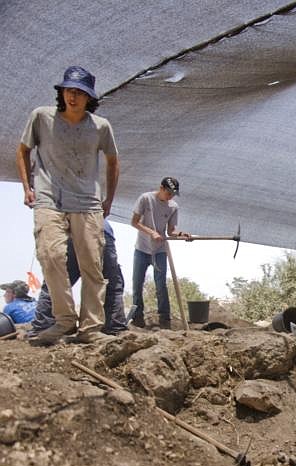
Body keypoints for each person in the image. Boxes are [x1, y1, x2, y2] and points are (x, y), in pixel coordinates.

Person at [17, 66, 120, 345]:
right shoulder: (41, 117)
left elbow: (113, 162)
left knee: (92, 266)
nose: (72, 97)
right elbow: (23, 150)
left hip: (87, 203)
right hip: (49, 199)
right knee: (50, 256)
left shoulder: (100, 127)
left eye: (79, 93)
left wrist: (108, 198)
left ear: (89, 98)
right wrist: (28, 188)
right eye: (68, 91)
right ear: (61, 92)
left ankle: (91, 329)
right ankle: (64, 320)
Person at [28, 220, 127, 336]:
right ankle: (114, 328)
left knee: (56, 283)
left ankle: (44, 326)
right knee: (111, 285)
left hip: (68, 231)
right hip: (97, 230)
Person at [130, 177, 190, 329]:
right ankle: (138, 318)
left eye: (173, 194)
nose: (170, 196)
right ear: (161, 188)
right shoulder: (146, 199)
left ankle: (164, 319)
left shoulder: (173, 207)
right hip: (142, 248)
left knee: (161, 284)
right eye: (168, 193)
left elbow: (171, 230)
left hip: (160, 250)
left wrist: (181, 234)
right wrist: (152, 232)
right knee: (137, 284)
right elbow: (134, 222)